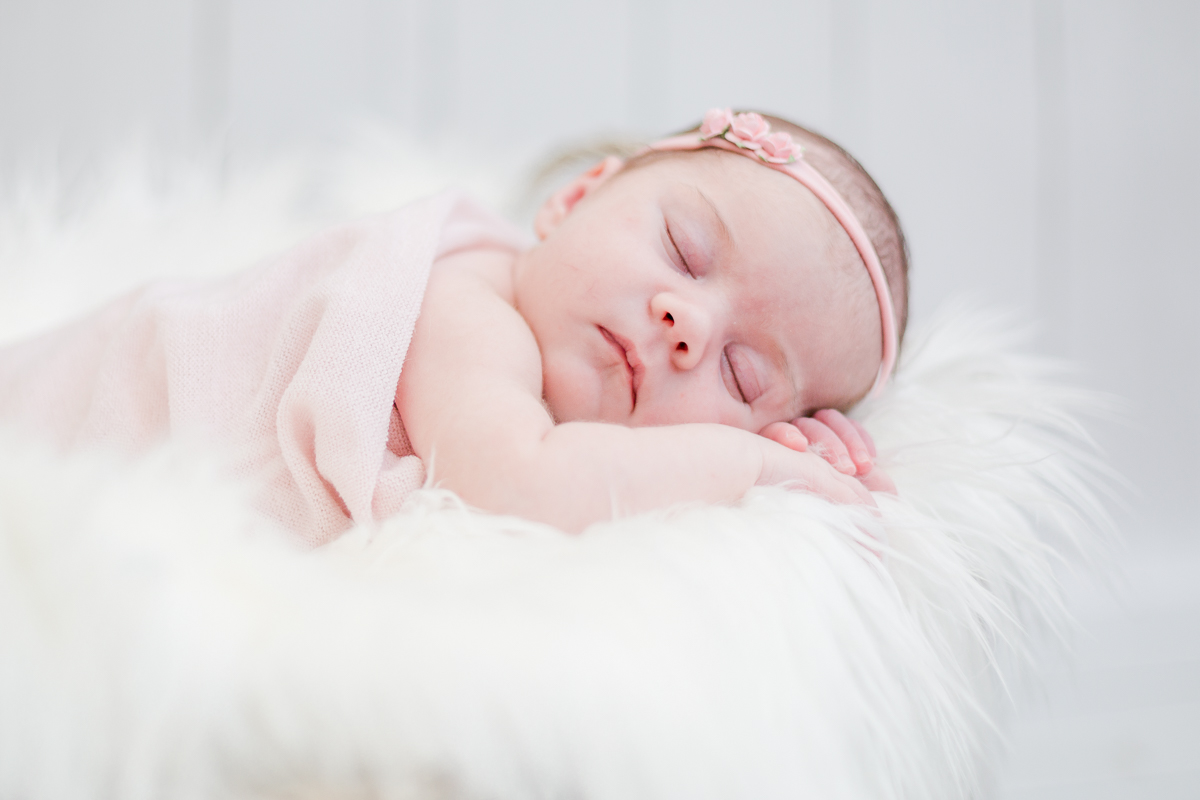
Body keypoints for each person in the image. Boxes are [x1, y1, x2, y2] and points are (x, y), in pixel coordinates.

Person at [0, 109, 908, 544]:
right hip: (61, 425)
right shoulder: (469, 304)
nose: (687, 323)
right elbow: (519, 482)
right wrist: (750, 463)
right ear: (577, 195)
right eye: (683, 246)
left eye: (745, 376)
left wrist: (779, 451)